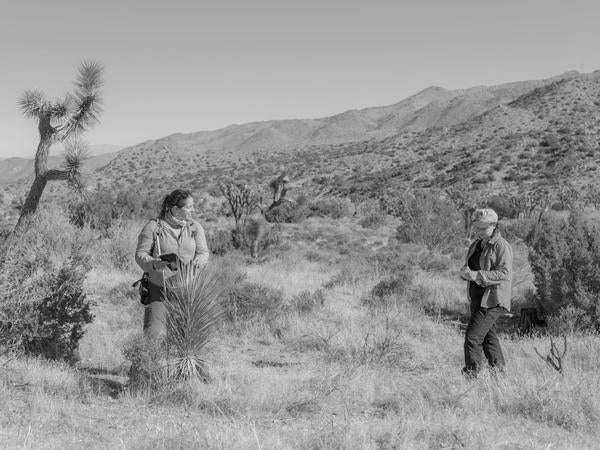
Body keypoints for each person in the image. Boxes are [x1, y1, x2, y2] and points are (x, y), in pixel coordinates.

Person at [135, 189, 210, 338]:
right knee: (153, 335)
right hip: (158, 288)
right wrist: (154, 263)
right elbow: (140, 254)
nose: (192, 210)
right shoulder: (154, 226)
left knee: (184, 336)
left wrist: (198, 262)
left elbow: (203, 252)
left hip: (187, 288)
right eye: (189, 207)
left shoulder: (195, 227)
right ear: (176, 209)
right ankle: (151, 361)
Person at [459, 208, 512, 377]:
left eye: (483, 228)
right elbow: (472, 269)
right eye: (477, 227)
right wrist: (466, 273)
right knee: (490, 338)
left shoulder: (501, 245)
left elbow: (505, 274)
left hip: (491, 301)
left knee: (472, 339)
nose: (479, 231)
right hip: (477, 299)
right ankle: (500, 377)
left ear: (494, 226)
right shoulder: (476, 244)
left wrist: (476, 275)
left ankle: (471, 377)